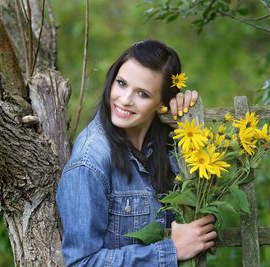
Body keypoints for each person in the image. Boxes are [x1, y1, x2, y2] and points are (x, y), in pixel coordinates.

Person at [56, 40, 217, 266]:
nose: (124, 100)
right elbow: (81, 262)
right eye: (121, 83)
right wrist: (170, 251)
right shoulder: (89, 162)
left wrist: (187, 124)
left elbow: (206, 205)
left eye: (142, 94)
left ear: (162, 103)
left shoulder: (169, 145)